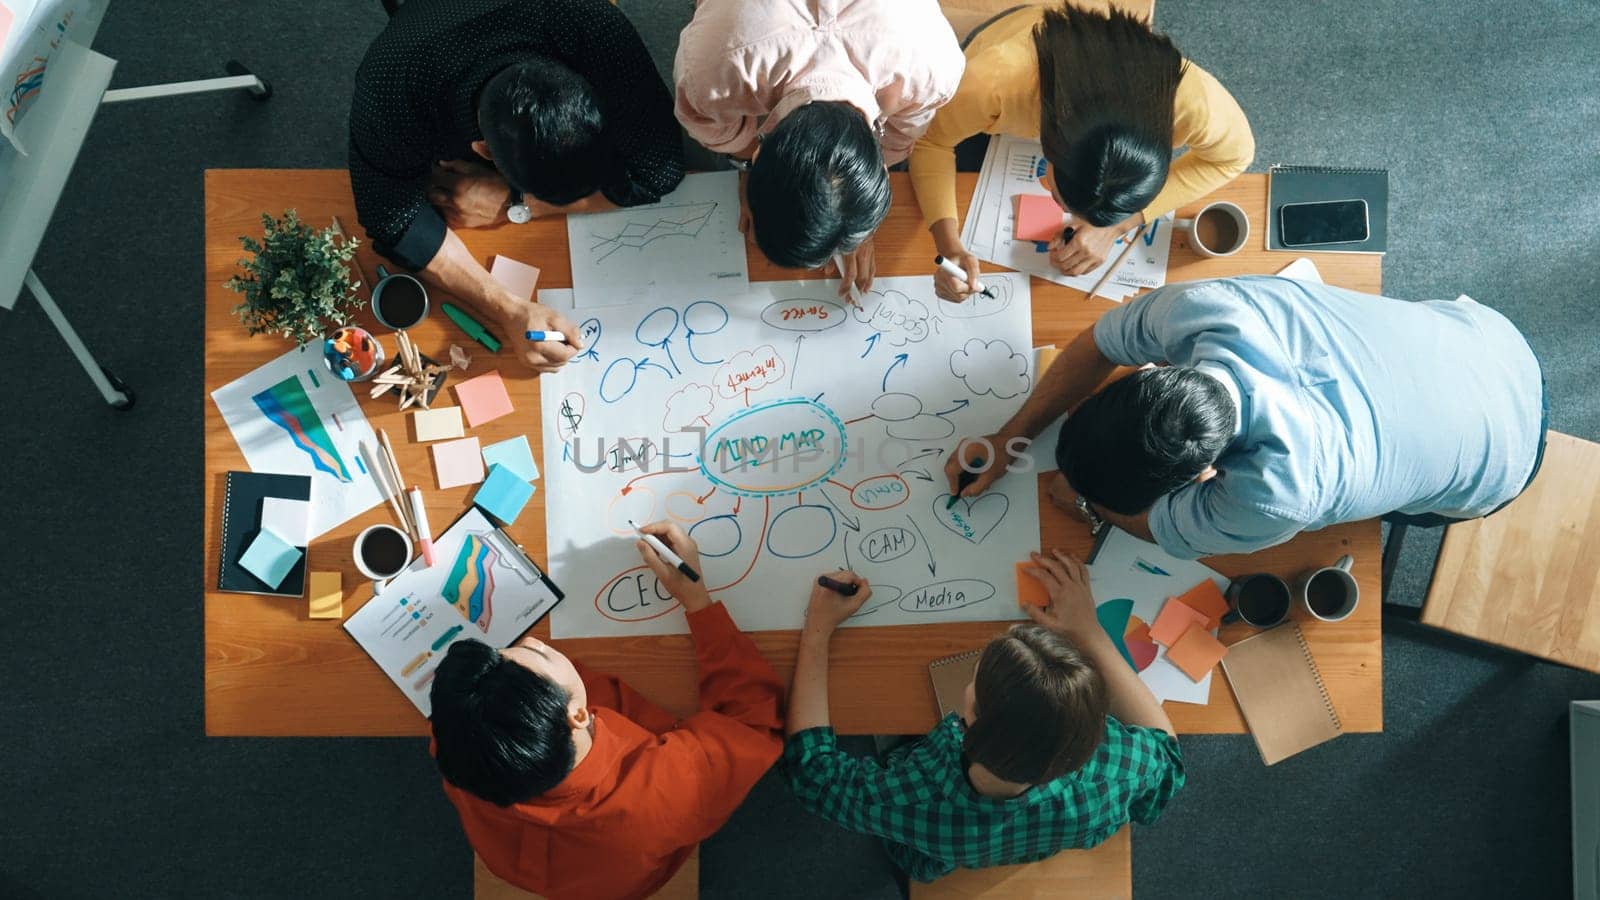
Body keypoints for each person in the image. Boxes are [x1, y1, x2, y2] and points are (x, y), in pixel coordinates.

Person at [944, 275, 1548, 559]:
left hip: (1503, 463)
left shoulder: (1278, 496)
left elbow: (1159, 527)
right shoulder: (1207, 309)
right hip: (1489, 340)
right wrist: (1010, 439)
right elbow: (1099, 346)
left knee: (1402, 507)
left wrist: (1083, 500)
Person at [429, 522, 783, 898]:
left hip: (522, 855)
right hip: (629, 867)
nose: (535, 640)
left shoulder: (459, 741)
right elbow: (756, 719)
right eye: (539, 654)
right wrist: (698, 602)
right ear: (578, 715)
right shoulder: (664, 791)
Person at [783, 557, 1184, 882]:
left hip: (935, 842)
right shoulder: (1117, 769)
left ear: (965, 722)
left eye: (975, 681)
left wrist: (817, 629)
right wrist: (1089, 632)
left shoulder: (912, 793)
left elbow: (812, 772)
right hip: (1036, 832)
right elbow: (1168, 754)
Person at [349, 0, 685, 372]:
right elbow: (392, 220)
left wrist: (519, 203)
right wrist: (508, 309)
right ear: (483, 151)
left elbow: (658, 168)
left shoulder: (590, 22)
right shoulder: (391, 87)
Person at [911, 2, 1255, 300]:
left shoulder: (1193, 104)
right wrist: (948, 244)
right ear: (1051, 150)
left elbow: (1235, 158)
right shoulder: (995, 78)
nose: (1062, 212)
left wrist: (1118, 226)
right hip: (1017, 40)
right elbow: (931, 142)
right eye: (1061, 201)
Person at [674, 0, 965, 295]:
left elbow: (897, 141)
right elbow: (715, 128)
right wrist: (747, 167)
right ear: (758, 154)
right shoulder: (709, 74)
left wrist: (850, 212)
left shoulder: (932, 72)